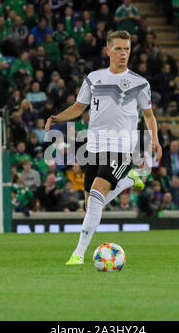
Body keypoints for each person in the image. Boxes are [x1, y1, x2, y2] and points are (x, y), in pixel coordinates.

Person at [45, 30, 162, 265]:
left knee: (97, 195)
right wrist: (58, 118)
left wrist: (155, 139)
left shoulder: (140, 83)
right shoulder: (93, 78)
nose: (123, 53)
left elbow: (148, 115)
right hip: (95, 148)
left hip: (120, 148)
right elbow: (79, 108)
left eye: (127, 49)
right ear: (108, 51)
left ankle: (78, 253)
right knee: (90, 205)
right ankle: (129, 179)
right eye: (118, 49)